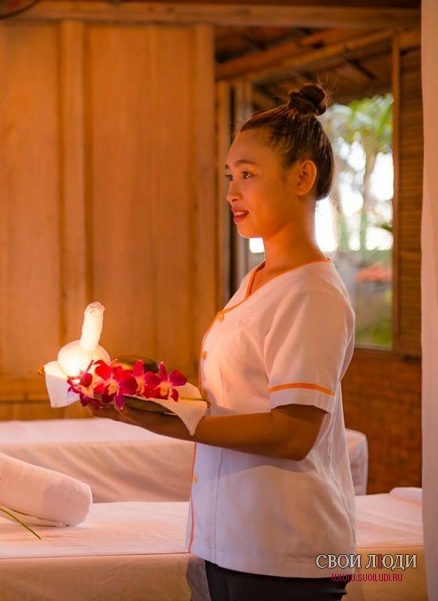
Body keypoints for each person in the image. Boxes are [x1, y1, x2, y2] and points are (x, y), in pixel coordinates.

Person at [89, 82, 355, 600]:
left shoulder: (312, 292)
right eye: (230, 176)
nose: (232, 192)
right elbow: (240, 399)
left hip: (287, 552)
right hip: (233, 539)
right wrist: (156, 388)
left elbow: (293, 433)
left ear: (303, 177)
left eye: (248, 175)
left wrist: (172, 423)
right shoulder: (259, 280)